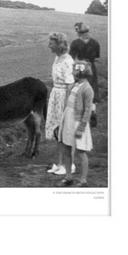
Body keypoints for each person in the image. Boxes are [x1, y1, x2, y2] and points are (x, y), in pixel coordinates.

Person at [58, 60, 95, 187]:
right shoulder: (74, 85)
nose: (72, 73)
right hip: (68, 119)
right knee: (66, 148)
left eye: (74, 70)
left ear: (80, 72)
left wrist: (82, 127)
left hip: (78, 122)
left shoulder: (87, 89)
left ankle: (83, 180)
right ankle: (68, 177)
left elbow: (87, 110)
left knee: (81, 151)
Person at [45, 32, 76, 176]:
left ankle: (69, 165)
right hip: (56, 95)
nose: (49, 45)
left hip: (64, 96)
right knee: (57, 131)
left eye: (51, 43)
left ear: (59, 44)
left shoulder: (67, 61)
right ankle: (59, 163)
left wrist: (66, 106)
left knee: (64, 132)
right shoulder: (57, 58)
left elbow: (70, 84)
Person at [70, 22, 100, 127]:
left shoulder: (74, 43)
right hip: (91, 67)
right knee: (92, 89)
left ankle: (81, 115)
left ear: (78, 32)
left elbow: (72, 58)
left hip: (79, 68)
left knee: (79, 89)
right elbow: (96, 56)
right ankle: (92, 111)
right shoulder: (95, 43)